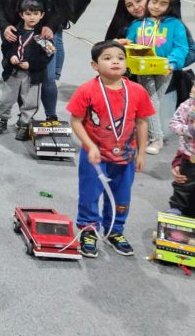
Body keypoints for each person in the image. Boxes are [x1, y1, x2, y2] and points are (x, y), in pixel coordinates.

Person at [67, 41, 153, 258]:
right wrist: (89, 145)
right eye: (107, 58)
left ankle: (115, 230)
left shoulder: (137, 91)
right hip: (95, 157)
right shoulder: (87, 90)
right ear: (94, 65)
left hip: (126, 156)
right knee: (90, 194)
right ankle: (88, 229)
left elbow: (142, 122)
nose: (115, 61)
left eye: (120, 58)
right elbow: (76, 120)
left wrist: (141, 152)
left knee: (121, 196)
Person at [122, 0, 188, 155]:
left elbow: (181, 47)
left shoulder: (175, 25)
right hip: (143, 68)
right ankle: (156, 138)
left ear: (170, 6)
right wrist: (124, 44)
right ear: (149, 0)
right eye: (154, 1)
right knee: (151, 99)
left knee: (152, 101)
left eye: (163, 4)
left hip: (165, 68)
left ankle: (148, 135)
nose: (156, 6)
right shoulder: (137, 24)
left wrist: (172, 63)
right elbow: (130, 43)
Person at [0, 0, 55, 140]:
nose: (31, 17)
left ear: (42, 15)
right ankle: (3, 120)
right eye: (28, 14)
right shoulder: (15, 32)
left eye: (35, 14)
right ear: (21, 15)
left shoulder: (42, 36)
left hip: (33, 75)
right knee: (6, 99)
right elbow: (6, 48)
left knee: (30, 101)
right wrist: (11, 56)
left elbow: (48, 56)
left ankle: (25, 124)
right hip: (14, 73)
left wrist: (31, 64)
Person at [167, 85, 195, 216]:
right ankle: (176, 207)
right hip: (189, 155)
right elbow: (173, 124)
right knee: (183, 183)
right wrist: (188, 129)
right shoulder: (187, 106)